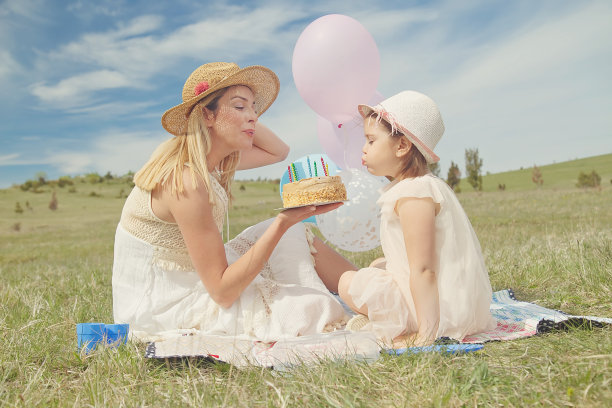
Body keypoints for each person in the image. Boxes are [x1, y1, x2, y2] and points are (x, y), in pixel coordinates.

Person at [112, 62, 354, 341]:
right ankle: (368, 296)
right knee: (312, 309)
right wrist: (283, 221)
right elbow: (222, 292)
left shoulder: (215, 161)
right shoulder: (187, 182)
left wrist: (241, 115)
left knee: (294, 235)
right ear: (207, 115)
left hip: (194, 277)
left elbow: (279, 151)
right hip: (162, 307)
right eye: (240, 107)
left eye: (254, 108)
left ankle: (365, 289)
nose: (253, 116)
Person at [338, 90, 496, 347]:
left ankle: (411, 324)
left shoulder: (413, 195)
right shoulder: (422, 186)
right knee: (379, 263)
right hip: (451, 302)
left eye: (371, 141)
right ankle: (401, 318)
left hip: (440, 313)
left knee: (347, 282)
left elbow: (424, 269)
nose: (364, 149)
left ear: (402, 146)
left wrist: (427, 333)